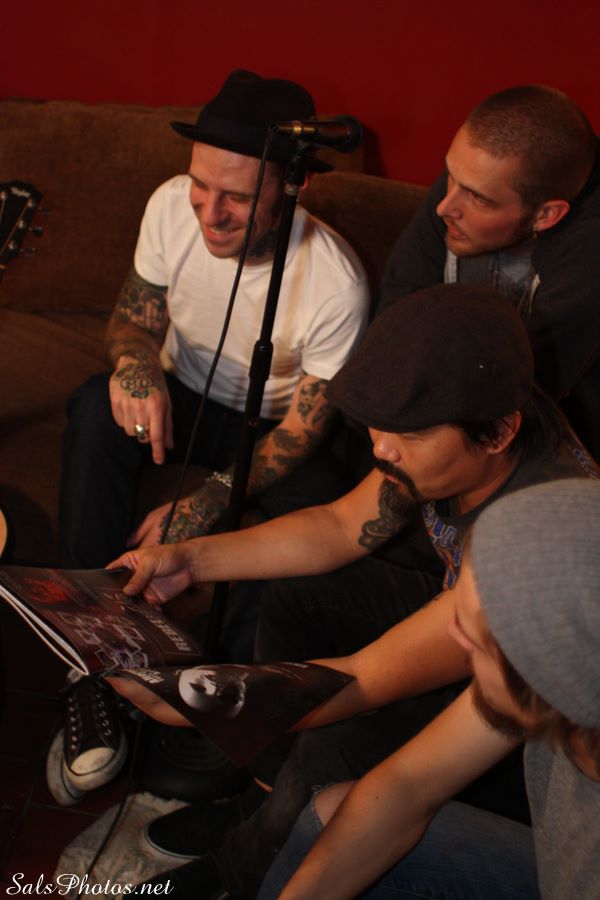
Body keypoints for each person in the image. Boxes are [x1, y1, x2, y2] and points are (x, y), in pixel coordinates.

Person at [105, 284, 598, 898]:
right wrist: (191, 559)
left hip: (516, 688)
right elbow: (341, 526)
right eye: (379, 426)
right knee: (299, 598)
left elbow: (365, 679)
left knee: (335, 752)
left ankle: (242, 868)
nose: (381, 449)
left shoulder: (532, 563)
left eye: (409, 435)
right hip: (489, 634)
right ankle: (263, 797)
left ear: (498, 434)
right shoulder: (483, 409)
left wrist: (191, 697)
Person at [51, 69, 368, 803]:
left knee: (305, 509)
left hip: (273, 426)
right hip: (184, 397)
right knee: (94, 408)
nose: (209, 212)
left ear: (293, 187)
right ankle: (90, 658)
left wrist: (204, 505)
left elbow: (306, 429)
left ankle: (214, 700)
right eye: (201, 185)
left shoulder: (337, 284)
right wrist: (136, 366)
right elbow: (132, 319)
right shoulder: (169, 205)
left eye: (237, 196)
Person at [258, 478, 600, 899]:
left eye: (474, 639)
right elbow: (410, 783)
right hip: (551, 859)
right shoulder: (565, 683)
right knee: (338, 810)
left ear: (541, 678)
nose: (452, 632)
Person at [379, 84, 600, 461]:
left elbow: (513, 384)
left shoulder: (590, 248)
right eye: (450, 176)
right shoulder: (469, 184)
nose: (444, 207)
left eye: (478, 198)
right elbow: (394, 316)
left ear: (546, 214)